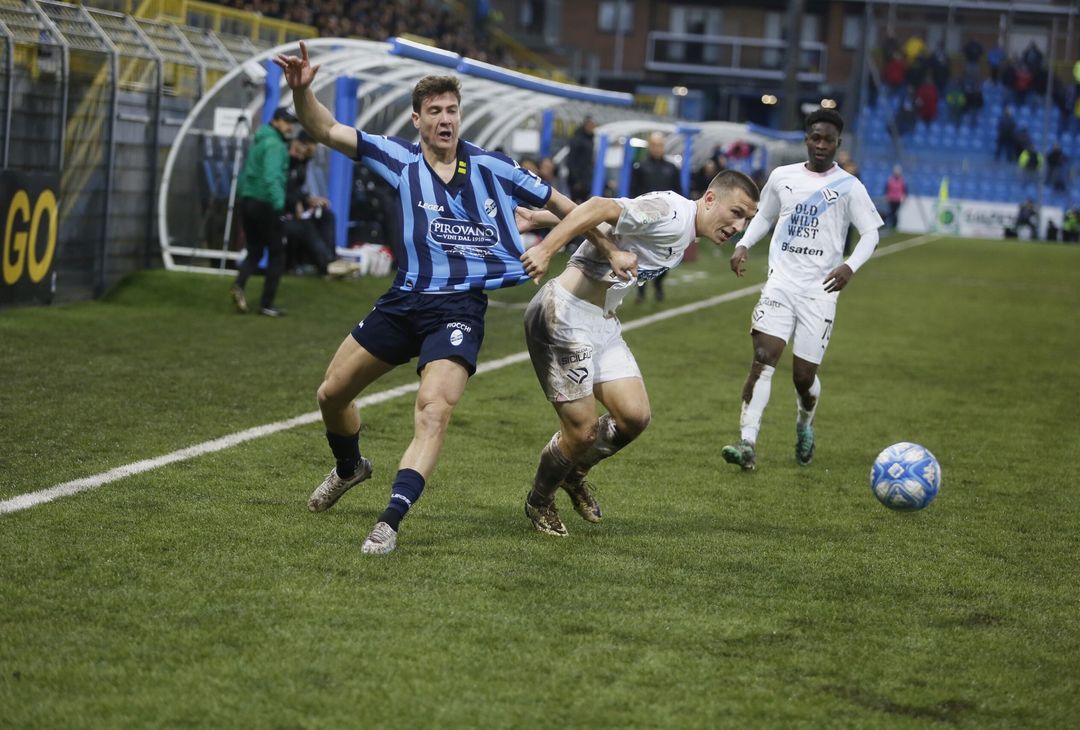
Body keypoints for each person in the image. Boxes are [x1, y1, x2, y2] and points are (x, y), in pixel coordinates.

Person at [275, 42, 589, 554]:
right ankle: (350, 467)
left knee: (433, 408)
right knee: (331, 395)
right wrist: (302, 91)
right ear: (417, 119)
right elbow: (326, 129)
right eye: (436, 111)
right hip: (404, 300)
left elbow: (565, 205)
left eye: (452, 110)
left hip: (459, 308)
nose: (446, 119)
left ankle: (390, 521)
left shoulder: (492, 166)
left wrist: (605, 246)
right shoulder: (399, 159)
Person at [517, 170, 760, 536]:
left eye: (747, 220)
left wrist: (540, 217)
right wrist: (545, 248)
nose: (738, 227)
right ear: (710, 199)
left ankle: (574, 473)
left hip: (601, 322)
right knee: (582, 432)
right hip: (563, 315)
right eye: (736, 213)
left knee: (634, 416)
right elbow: (599, 206)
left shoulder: (682, 226)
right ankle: (540, 500)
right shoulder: (672, 214)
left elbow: (614, 221)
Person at [719, 109, 884, 471]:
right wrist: (743, 244)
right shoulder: (782, 177)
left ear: (838, 143)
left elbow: (871, 233)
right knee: (763, 359)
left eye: (828, 140)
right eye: (815, 137)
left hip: (820, 291)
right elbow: (765, 215)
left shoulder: (850, 186)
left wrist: (849, 266)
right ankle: (747, 443)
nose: (821, 145)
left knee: (803, 377)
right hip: (780, 283)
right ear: (807, 139)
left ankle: (804, 424)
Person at [229, 107, 296, 317]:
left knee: (255, 251)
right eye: (287, 121)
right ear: (275, 121)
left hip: (248, 201)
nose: (290, 126)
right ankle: (266, 304)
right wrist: (279, 205)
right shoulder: (275, 145)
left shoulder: (259, 141)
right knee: (277, 253)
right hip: (266, 204)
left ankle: (239, 284)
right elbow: (271, 177)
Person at [629, 131, 681, 303]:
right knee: (641, 254)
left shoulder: (672, 168)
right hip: (645, 218)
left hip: (666, 219)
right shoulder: (640, 167)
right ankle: (641, 291)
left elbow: (679, 193)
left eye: (660, 145)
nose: (657, 148)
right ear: (649, 146)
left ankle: (658, 284)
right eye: (654, 145)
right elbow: (633, 192)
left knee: (666, 254)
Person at [282, 131, 336, 276]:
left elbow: (296, 188)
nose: (309, 154)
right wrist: (296, 202)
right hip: (282, 209)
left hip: (294, 205)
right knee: (305, 225)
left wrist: (309, 199)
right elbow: (281, 187)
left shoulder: (302, 162)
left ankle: (329, 257)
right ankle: (326, 263)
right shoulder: (284, 159)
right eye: (309, 150)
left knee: (327, 216)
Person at [565, 116, 596, 203]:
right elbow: (571, 160)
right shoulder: (577, 139)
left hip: (586, 179)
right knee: (574, 203)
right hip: (577, 179)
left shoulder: (590, 139)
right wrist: (576, 180)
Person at [884, 165, 907, 229]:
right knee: (891, 212)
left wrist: (903, 197)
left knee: (895, 213)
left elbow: (905, 190)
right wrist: (887, 196)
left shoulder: (902, 181)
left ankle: (894, 226)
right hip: (891, 199)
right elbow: (886, 189)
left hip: (898, 200)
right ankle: (890, 225)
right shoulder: (890, 180)